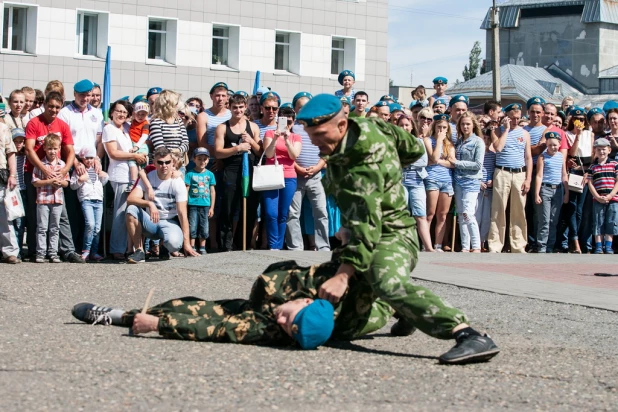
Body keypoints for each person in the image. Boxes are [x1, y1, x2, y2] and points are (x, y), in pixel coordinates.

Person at [297, 94, 499, 364]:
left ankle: (467, 334)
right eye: (310, 135)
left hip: (392, 234)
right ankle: (401, 309)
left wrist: (344, 275)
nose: (314, 141)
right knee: (342, 326)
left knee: (385, 281)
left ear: (342, 125)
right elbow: (412, 150)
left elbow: (367, 227)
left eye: (320, 134)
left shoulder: (361, 165)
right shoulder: (371, 126)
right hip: (366, 230)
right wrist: (389, 177)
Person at [24, 91, 84, 263]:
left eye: (57, 107)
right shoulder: (34, 123)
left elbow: (70, 150)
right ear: (44, 105)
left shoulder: (62, 125)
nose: (54, 110)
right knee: (36, 215)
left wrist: (65, 169)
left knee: (62, 215)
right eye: (50, 106)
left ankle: (67, 250)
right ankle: (36, 250)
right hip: (35, 172)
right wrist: (43, 169)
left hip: (57, 173)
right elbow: (29, 149)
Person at [125, 147, 199, 263]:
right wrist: (149, 203)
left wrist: (187, 244)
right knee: (131, 209)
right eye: (160, 162)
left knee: (174, 244)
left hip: (169, 221)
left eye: (167, 162)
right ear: (154, 163)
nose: (164, 165)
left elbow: (182, 214)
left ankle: (165, 246)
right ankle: (139, 251)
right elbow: (130, 199)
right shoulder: (149, 177)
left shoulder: (177, 182)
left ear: (172, 163)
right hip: (150, 221)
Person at [58, 79, 104, 245]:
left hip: (91, 163)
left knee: (91, 204)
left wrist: (97, 158)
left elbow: (99, 141)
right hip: (73, 161)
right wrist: (75, 162)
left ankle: (88, 246)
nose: (85, 98)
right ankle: (72, 245)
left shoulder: (97, 114)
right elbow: (64, 142)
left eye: (88, 95)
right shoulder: (65, 113)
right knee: (73, 206)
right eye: (82, 95)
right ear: (74, 94)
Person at [214, 94, 261, 252]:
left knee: (248, 207)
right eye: (235, 107)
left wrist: (251, 141)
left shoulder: (253, 127)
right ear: (230, 108)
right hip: (231, 170)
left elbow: (261, 152)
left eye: (241, 107)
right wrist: (237, 149)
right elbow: (218, 153)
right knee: (228, 208)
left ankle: (243, 242)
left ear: (245, 107)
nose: (238, 110)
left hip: (250, 170)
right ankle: (225, 244)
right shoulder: (223, 127)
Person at [102, 100, 147, 261]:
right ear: (112, 112)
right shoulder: (109, 129)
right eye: (118, 111)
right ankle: (116, 248)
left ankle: (131, 247)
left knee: (131, 212)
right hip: (119, 176)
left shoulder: (127, 128)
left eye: (124, 112)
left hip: (133, 176)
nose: (121, 114)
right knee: (120, 214)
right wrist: (135, 156)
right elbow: (113, 153)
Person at [286, 93, 330, 252]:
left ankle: (323, 246)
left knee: (321, 212)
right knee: (292, 214)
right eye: (300, 106)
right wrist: (297, 167)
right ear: (295, 109)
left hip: (316, 176)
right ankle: (295, 247)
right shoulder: (291, 128)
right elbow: (285, 152)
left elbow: (327, 151)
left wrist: (318, 166)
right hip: (296, 176)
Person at [488, 103, 533, 253]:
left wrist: (528, 179)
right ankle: (495, 245)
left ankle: (518, 245)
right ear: (506, 117)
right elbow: (498, 148)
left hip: (519, 173)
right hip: (502, 172)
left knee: (519, 210)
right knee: (498, 209)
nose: (515, 121)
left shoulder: (525, 133)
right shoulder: (497, 131)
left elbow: (528, 157)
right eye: (512, 118)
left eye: (518, 118)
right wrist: (506, 129)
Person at [262, 106, 302, 250]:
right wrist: (276, 137)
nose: (287, 124)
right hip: (271, 175)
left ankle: (278, 246)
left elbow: (294, 155)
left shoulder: (295, 137)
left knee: (283, 214)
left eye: (290, 122)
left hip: (289, 176)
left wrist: (286, 139)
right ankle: (273, 245)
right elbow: (269, 154)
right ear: (278, 120)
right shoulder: (269, 133)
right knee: (271, 213)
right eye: (285, 121)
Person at [450, 112, 485, 253]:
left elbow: (477, 164)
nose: (465, 127)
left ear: (473, 125)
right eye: (463, 124)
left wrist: (457, 163)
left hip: (471, 180)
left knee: (468, 213)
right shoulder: (458, 142)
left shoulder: (478, 142)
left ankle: (476, 246)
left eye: (468, 124)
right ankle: (465, 246)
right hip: (458, 180)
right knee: (460, 214)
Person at [31, 134, 70, 263]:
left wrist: (60, 183)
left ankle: (53, 252)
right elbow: (35, 182)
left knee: (55, 227)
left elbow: (66, 182)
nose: (52, 151)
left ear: (59, 148)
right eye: (49, 149)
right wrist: (49, 182)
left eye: (55, 148)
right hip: (43, 200)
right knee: (42, 227)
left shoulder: (62, 164)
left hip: (57, 200)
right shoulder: (40, 164)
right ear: (45, 148)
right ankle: (41, 252)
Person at [398, 115, 433, 252]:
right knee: (402, 215)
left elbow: (423, 161)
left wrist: (404, 161)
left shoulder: (419, 142)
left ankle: (428, 247)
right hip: (400, 181)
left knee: (420, 215)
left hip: (417, 181)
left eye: (407, 125)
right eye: (401, 125)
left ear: (412, 126)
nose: (404, 128)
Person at [563, 107, 594, 254]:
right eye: (576, 119)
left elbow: (593, 155)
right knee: (573, 207)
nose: (579, 122)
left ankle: (578, 239)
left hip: (585, 172)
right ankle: (574, 241)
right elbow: (572, 153)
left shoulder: (590, 134)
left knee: (581, 209)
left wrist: (588, 173)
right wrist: (578, 135)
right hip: (574, 172)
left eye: (582, 119)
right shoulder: (568, 134)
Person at [70, 146, 108, 261]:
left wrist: (104, 175)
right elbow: (72, 186)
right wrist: (80, 180)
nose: (89, 161)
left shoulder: (97, 169)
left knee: (97, 227)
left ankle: (94, 251)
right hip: (86, 199)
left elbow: (104, 181)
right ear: (82, 159)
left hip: (98, 200)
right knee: (90, 224)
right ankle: (86, 250)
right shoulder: (79, 170)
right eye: (86, 158)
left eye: (91, 158)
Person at [424, 114, 455, 252]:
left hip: (447, 181)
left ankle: (438, 244)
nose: (441, 130)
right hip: (432, 178)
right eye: (439, 127)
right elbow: (435, 156)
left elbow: (452, 163)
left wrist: (439, 161)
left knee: (442, 215)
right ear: (434, 127)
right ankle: (426, 245)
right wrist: (439, 141)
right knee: (429, 213)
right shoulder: (428, 140)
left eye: (444, 128)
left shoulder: (449, 144)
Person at [533, 131, 568, 254]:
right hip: (545, 189)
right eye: (550, 145)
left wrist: (566, 193)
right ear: (546, 145)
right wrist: (537, 193)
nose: (553, 147)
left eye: (555, 145)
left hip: (558, 190)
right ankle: (541, 246)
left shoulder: (560, 157)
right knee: (544, 220)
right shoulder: (542, 157)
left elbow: (564, 175)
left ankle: (550, 246)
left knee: (554, 220)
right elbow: (539, 175)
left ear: (559, 144)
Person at [523, 97, 548, 251]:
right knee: (524, 209)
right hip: (523, 170)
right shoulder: (523, 129)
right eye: (532, 111)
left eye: (538, 112)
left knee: (536, 208)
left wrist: (524, 147)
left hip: (537, 171)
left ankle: (535, 241)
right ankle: (525, 240)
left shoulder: (546, 130)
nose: (535, 114)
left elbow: (540, 149)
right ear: (528, 112)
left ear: (542, 113)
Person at [587, 138, 618, 254]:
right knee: (598, 221)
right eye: (599, 149)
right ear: (595, 151)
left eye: (604, 149)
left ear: (609, 150)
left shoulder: (615, 164)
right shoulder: (592, 167)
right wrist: (597, 196)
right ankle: (599, 246)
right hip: (598, 198)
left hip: (613, 198)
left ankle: (608, 246)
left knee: (611, 221)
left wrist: (610, 195)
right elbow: (590, 183)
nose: (601, 152)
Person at [184, 147, 216, 255]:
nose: (202, 161)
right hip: (192, 203)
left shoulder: (210, 175)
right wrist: (184, 204)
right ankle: (192, 246)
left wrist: (212, 207)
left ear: (208, 160)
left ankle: (202, 246)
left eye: (204, 159)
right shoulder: (189, 174)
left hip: (205, 204)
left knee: (204, 226)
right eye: (199, 159)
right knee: (192, 225)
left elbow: (212, 191)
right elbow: (186, 190)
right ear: (194, 159)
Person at [149, 90, 189, 167]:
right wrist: (172, 156)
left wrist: (178, 150)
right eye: (176, 103)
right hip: (163, 165)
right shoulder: (156, 122)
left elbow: (186, 143)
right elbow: (159, 146)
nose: (177, 106)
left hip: (179, 164)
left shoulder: (178, 121)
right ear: (168, 105)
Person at [0, 122, 19, 264]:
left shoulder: (3, 128)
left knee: (4, 217)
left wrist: (13, 174)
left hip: (1, 173)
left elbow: (10, 152)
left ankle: (10, 252)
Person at [476, 125, 496, 250]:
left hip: (489, 188)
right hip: (478, 187)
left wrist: (492, 180)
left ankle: (483, 241)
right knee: (476, 215)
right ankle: (476, 241)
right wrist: (478, 182)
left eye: (488, 139)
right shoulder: (476, 154)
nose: (486, 141)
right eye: (484, 138)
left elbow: (495, 170)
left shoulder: (493, 155)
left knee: (486, 217)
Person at [10, 128, 27, 260]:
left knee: (20, 222)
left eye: (21, 141)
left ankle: (19, 250)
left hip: (23, 190)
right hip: (11, 191)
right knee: (11, 221)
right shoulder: (9, 155)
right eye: (16, 141)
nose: (18, 144)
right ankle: (12, 250)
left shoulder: (25, 155)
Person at [128, 101, 150, 189]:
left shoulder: (145, 124)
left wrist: (137, 146)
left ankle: (134, 183)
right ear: (134, 114)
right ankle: (137, 182)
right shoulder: (132, 122)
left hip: (141, 146)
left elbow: (145, 136)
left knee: (132, 161)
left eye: (143, 114)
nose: (141, 116)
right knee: (136, 164)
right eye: (139, 114)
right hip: (134, 145)